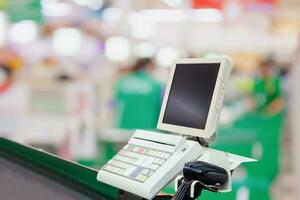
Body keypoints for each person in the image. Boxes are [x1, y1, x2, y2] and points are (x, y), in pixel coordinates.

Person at [113, 58, 161, 130]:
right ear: (149, 66)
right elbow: (160, 107)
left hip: (125, 125)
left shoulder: (123, 81)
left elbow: (115, 103)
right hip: (146, 126)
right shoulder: (155, 84)